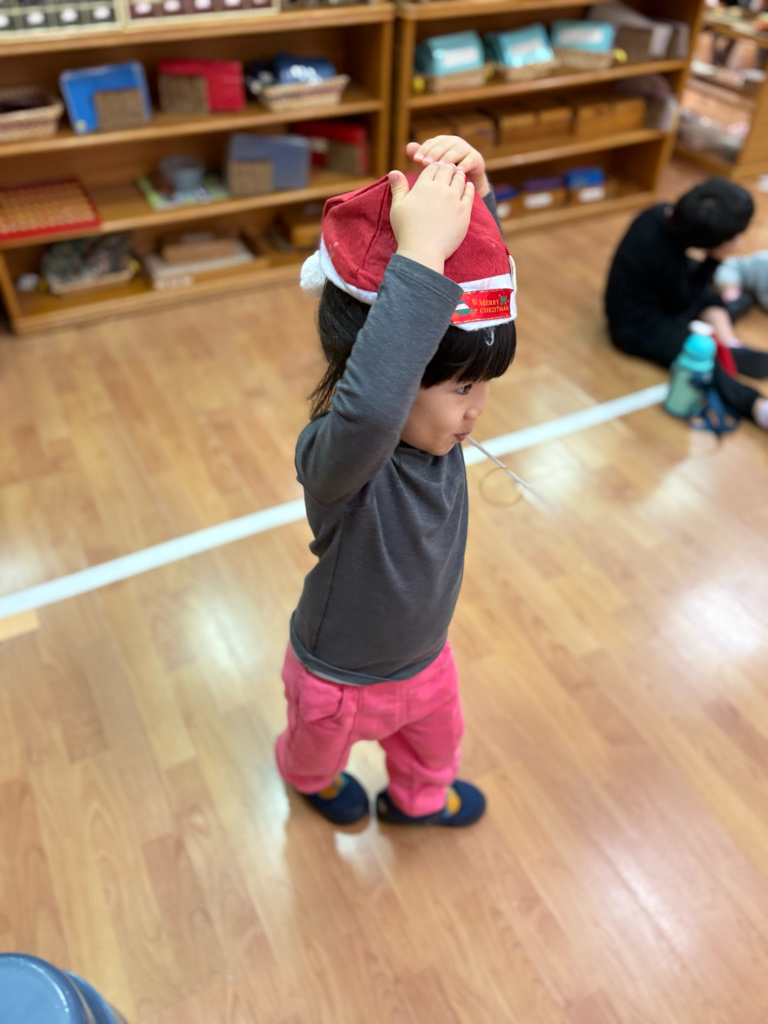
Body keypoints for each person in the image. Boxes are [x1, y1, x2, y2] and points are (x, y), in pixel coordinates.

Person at [275, 136, 517, 827]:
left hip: (426, 661)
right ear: (392, 366)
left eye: (482, 386)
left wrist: (478, 205)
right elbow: (376, 404)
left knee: (436, 751)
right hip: (335, 680)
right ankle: (310, 783)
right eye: (462, 388)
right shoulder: (343, 455)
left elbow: (481, 315)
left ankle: (419, 800)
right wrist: (420, 255)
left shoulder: (437, 433)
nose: (476, 408)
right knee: (315, 756)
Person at [604, 177, 768, 428]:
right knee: (699, 360)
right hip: (634, 325)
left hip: (664, 294)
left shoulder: (658, 214)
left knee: (711, 296)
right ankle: (755, 406)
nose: (741, 241)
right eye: (735, 237)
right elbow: (682, 302)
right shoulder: (661, 256)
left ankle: (729, 345)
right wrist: (714, 259)